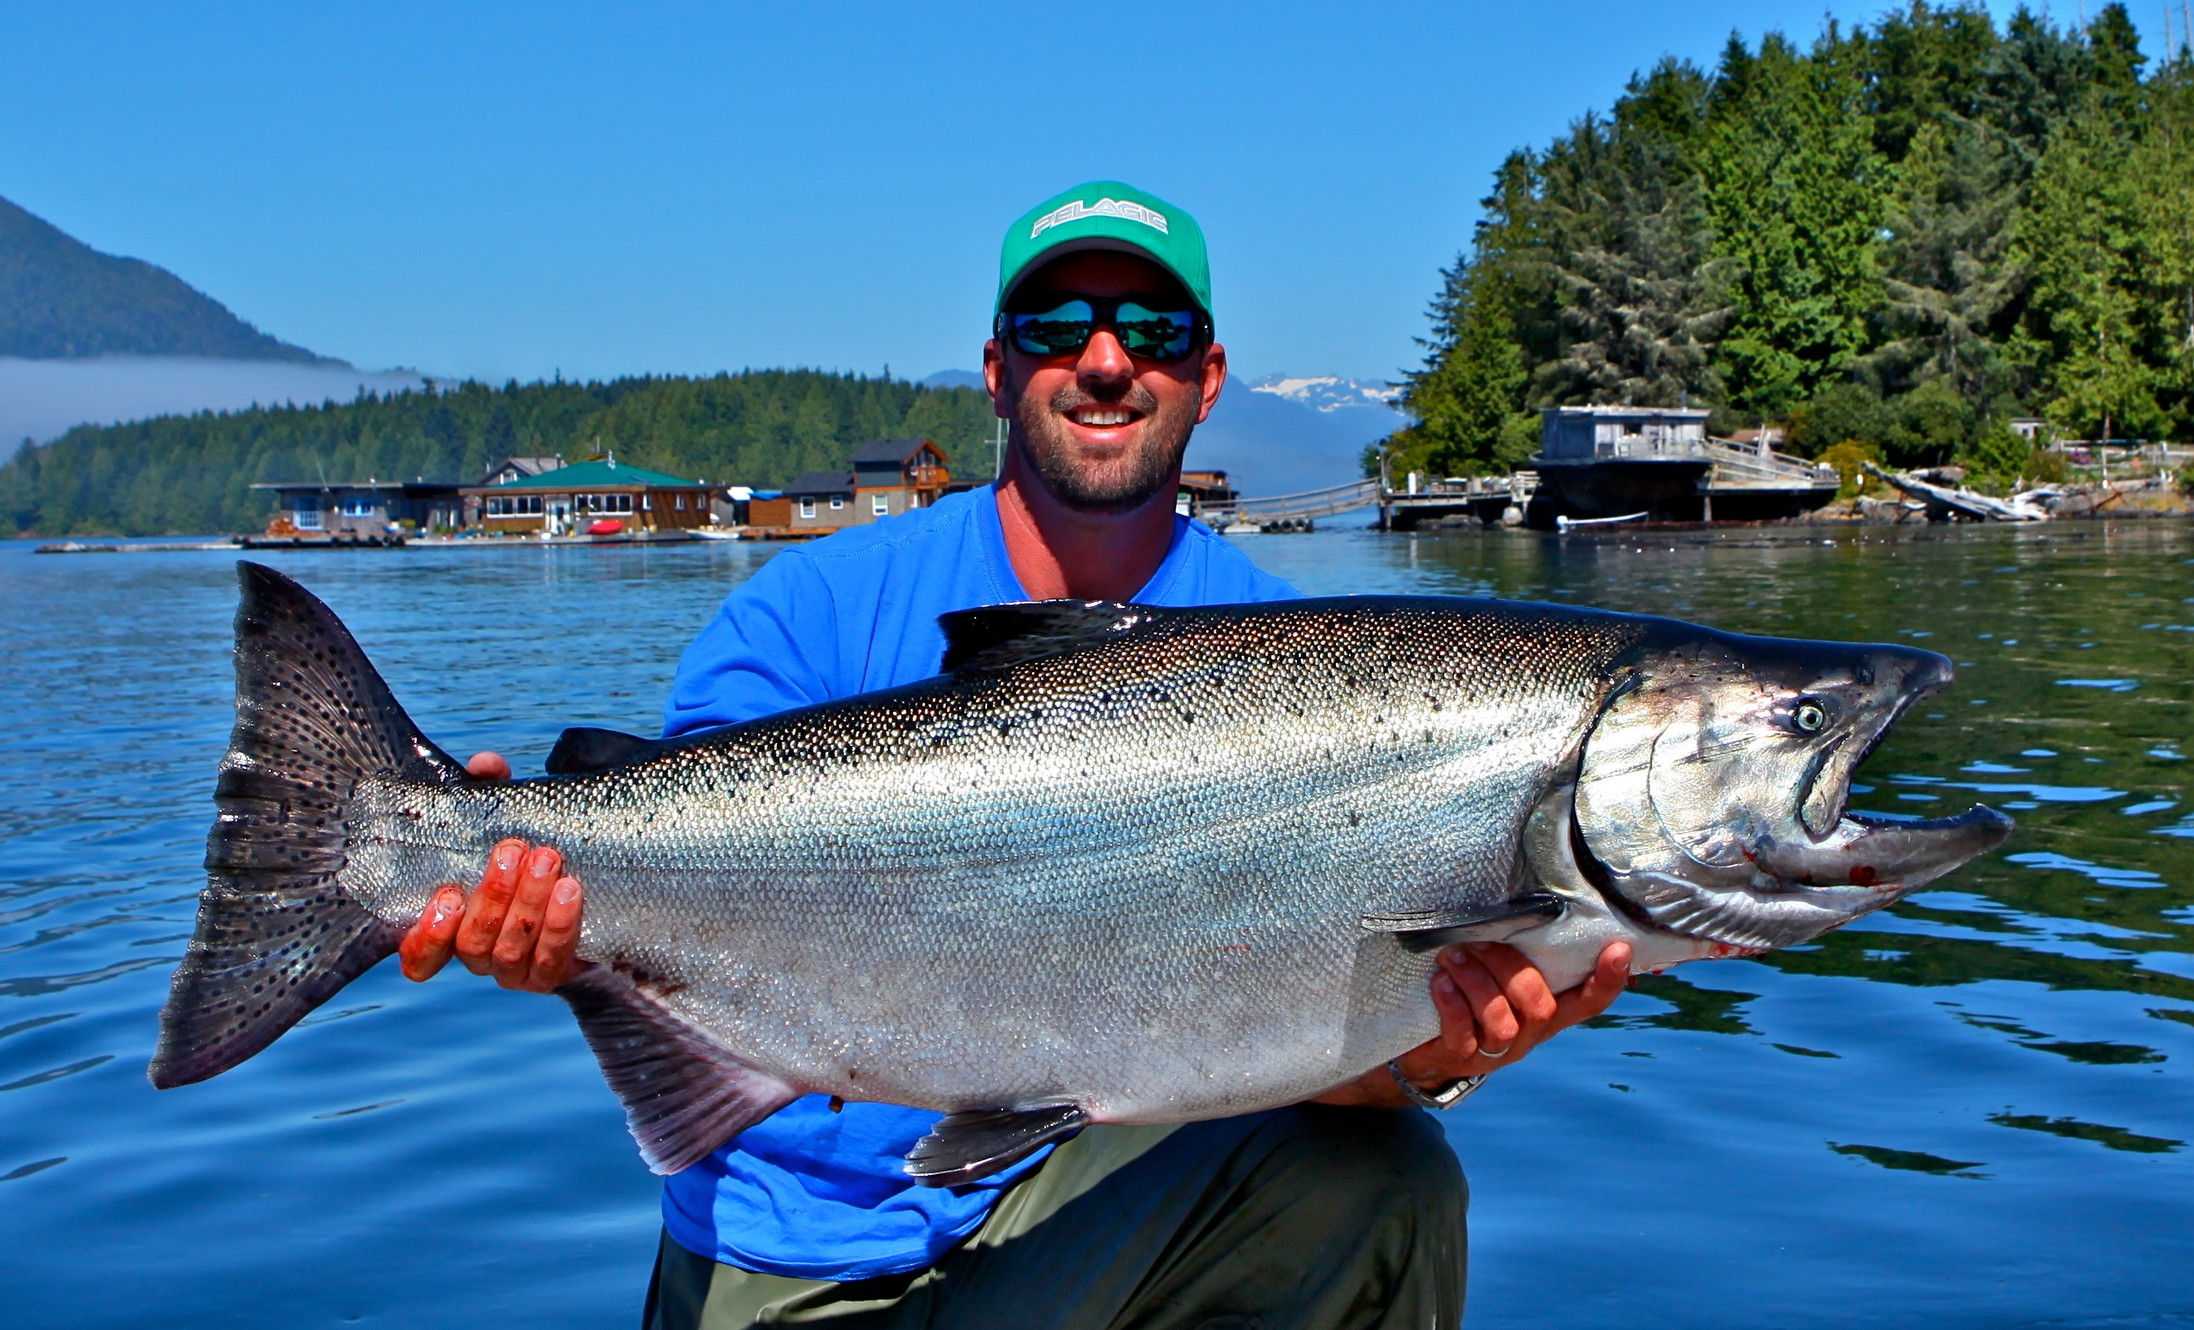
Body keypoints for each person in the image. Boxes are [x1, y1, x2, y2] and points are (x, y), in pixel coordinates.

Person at [399, 181, 1632, 1329]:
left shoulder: (1307, 660)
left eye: (1149, 327)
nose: (1104, 360)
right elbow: (680, 879)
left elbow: (1291, 1057)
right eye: (1057, 326)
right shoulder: (808, 607)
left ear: (1205, 375)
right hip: (791, 1259)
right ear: (998, 371)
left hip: (1079, 1225)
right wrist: (557, 924)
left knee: (1391, 1178)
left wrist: (1425, 1054)